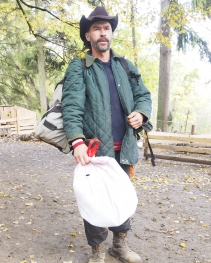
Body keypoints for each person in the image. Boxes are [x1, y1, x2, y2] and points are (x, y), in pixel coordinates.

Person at [61, 6, 152, 263]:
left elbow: (143, 95)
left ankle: (119, 247)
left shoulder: (125, 65)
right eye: (96, 28)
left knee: (121, 197)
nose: (102, 33)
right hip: (94, 149)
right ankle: (98, 251)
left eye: (106, 28)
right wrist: (77, 141)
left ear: (111, 33)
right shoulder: (79, 67)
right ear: (88, 35)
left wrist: (141, 113)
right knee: (96, 201)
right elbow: (72, 106)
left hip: (123, 148)